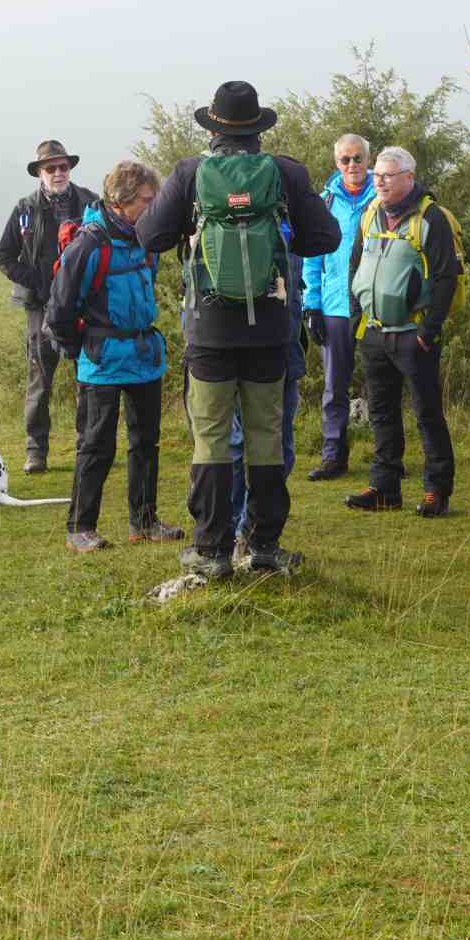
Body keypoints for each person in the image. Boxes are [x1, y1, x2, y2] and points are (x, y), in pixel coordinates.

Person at [136, 81, 341, 579]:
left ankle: (212, 550)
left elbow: (149, 235)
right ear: (258, 129)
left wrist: (194, 229)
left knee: (211, 440)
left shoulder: (190, 173)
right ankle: (263, 546)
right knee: (266, 437)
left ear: (213, 129)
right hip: (270, 330)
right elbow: (326, 237)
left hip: (209, 332)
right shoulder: (286, 172)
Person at [47, 159, 183, 553]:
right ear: (120, 202)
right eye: (146, 200)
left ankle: (145, 521)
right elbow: (59, 311)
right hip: (102, 361)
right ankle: (80, 528)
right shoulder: (88, 245)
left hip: (144, 355)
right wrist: (80, 351)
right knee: (95, 446)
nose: (152, 206)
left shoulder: (145, 238)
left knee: (146, 444)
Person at [342, 146, 464, 517]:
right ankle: (384, 488)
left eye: (387, 175)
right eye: (376, 175)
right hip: (374, 332)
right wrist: (356, 317)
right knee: (382, 412)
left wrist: (429, 329)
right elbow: (355, 264)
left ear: (409, 178)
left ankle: (436, 491)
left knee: (427, 413)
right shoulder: (370, 214)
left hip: (414, 334)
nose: (379, 181)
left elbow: (446, 277)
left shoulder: (431, 218)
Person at [0, 139, 99, 474]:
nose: (58, 173)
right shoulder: (24, 209)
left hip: (83, 305)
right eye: (50, 168)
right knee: (40, 381)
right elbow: (4, 256)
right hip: (40, 307)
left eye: (63, 167)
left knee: (87, 378)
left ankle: (87, 445)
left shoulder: (91, 202)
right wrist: (37, 282)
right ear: (39, 172)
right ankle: (35, 452)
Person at [302, 134, 377, 481]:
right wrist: (311, 305)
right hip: (334, 307)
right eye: (345, 159)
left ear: (368, 159)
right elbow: (311, 257)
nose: (352, 165)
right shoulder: (324, 203)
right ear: (336, 163)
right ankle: (333, 456)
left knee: (383, 384)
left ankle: (387, 456)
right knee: (335, 387)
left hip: (375, 306)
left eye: (358, 158)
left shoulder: (384, 196)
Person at [228, 248, 305, 558]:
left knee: (261, 447)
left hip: (276, 349)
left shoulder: (289, 230)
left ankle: (244, 533)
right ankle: (242, 534)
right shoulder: (277, 234)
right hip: (252, 351)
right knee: (258, 446)